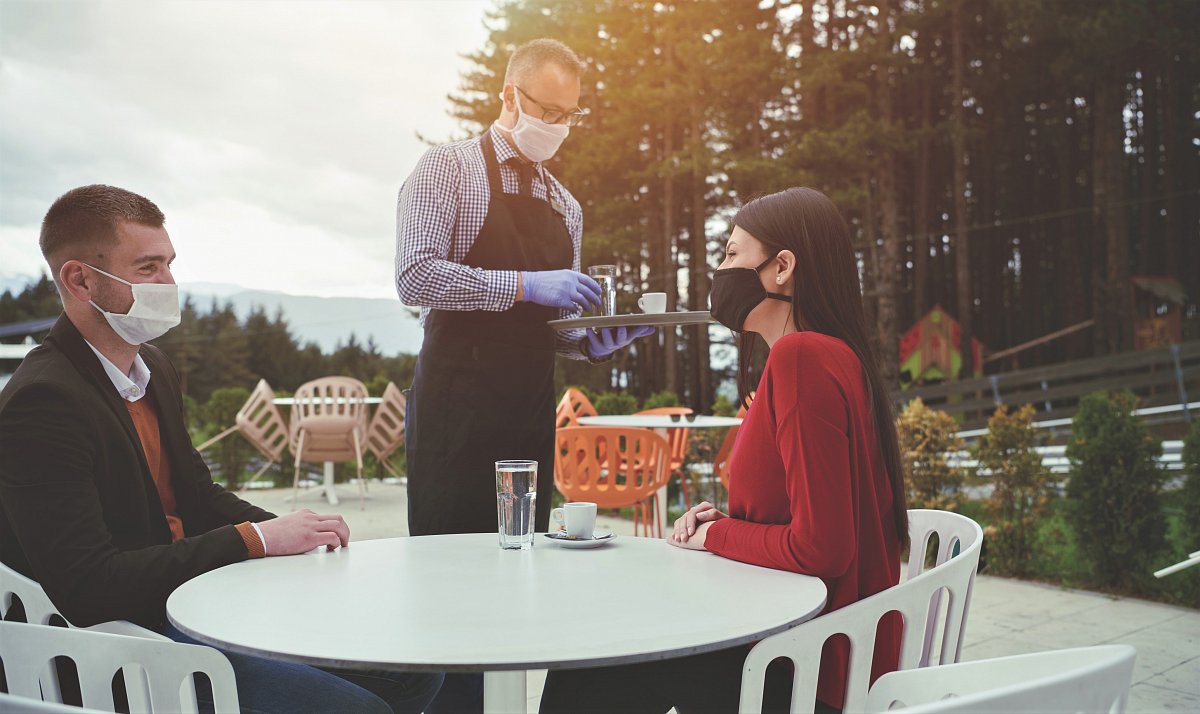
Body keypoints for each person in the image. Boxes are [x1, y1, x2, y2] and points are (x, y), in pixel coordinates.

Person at [0, 185, 443, 714]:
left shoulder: (152, 369)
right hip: (120, 643)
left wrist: (294, 535)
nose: (169, 283)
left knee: (416, 670)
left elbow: (198, 493)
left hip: (193, 601)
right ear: (79, 279)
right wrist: (255, 540)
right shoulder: (43, 402)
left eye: (169, 264)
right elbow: (89, 586)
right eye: (147, 268)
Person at [538, 187, 909, 714]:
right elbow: (815, 518)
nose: (720, 269)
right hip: (825, 655)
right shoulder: (834, 355)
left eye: (733, 254)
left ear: (783, 267)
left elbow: (824, 549)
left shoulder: (801, 358)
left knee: (601, 646)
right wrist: (734, 526)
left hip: (808, 676)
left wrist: (716, 536)